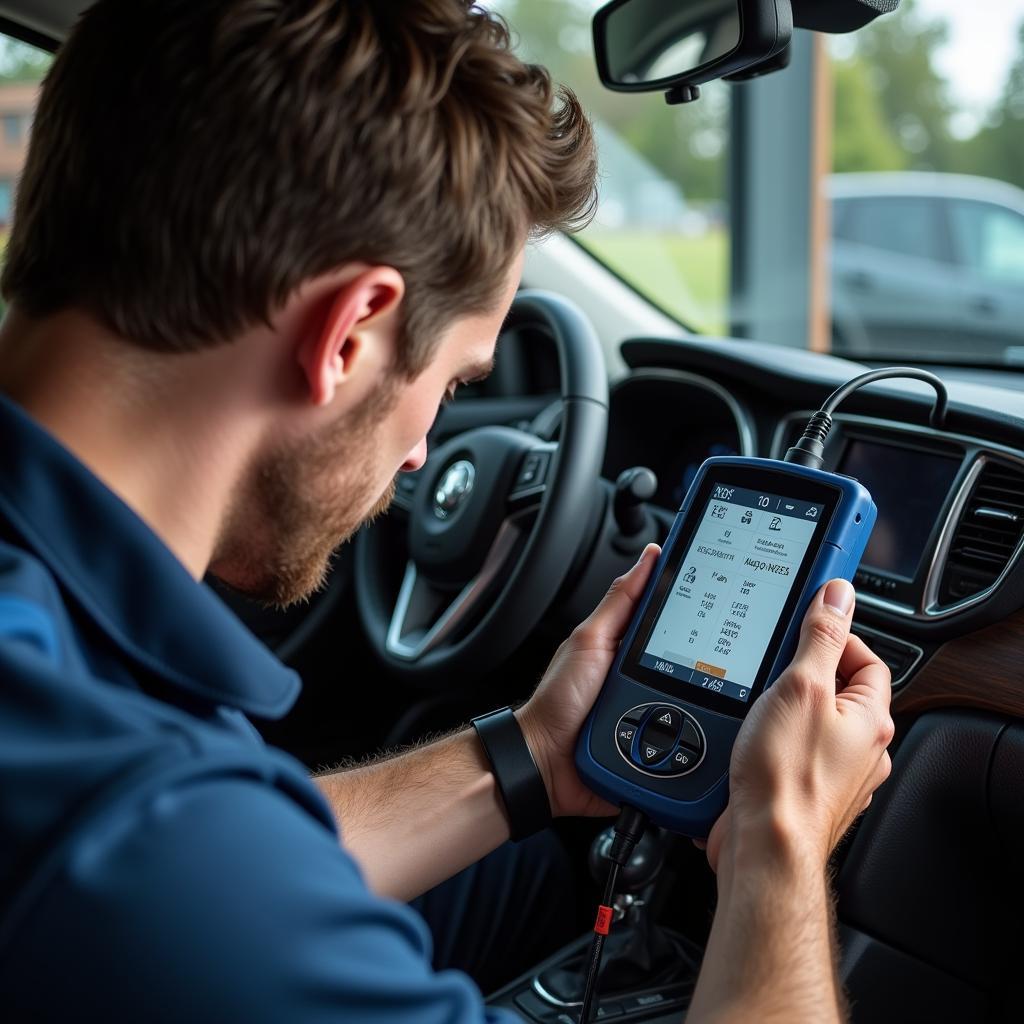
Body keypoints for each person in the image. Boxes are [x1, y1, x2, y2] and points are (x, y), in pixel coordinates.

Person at [0, 1, 893, 1021]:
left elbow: (230, 847)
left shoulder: (84, 727)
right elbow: (187, 865)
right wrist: (779, 838)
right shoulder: (138, 834)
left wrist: (535, 753)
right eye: (459, 380)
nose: (425, 451)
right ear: (351, 331)